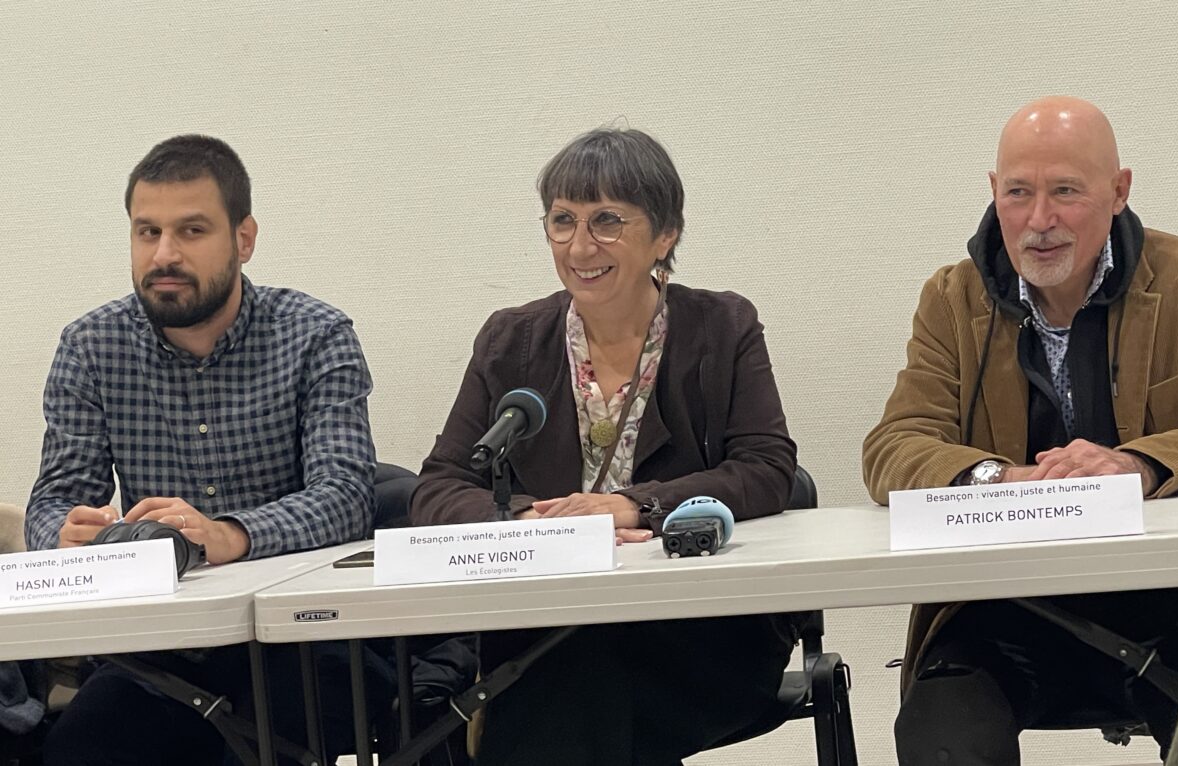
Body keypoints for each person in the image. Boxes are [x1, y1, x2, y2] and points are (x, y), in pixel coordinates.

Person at [411, 127, 798, 765]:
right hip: (547, 627)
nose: (580, 245)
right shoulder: (511, 341)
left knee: (561, 695)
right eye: (562, 220)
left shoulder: (722, 328)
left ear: (666, 234)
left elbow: (766, 469)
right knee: (564, 675)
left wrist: (635, 506)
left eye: (607, 220)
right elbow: (440, 485)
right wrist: (528, 521)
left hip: (700, 627)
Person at [25, 135, 390, 765]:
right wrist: (64, 532)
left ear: (244, 239)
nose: (164, 255)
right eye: (147, 232)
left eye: (191, 230)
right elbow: (53, 498)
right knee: (74, 750)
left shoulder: (315, 335)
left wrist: (227, 534)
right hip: (157, 652)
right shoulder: (91, 346)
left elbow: (347, 497)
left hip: (299, 641)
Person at [863, 96, 1178, 764]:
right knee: (941, 742)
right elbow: (893, 446)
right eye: (1018, 193)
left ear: (1119, 191)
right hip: (1006, 609)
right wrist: (1000, 479)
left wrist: (1139, 465)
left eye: (1066, 192)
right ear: (994, 192)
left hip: (1172, 603)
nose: (1039, 221)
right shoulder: (952, 298)